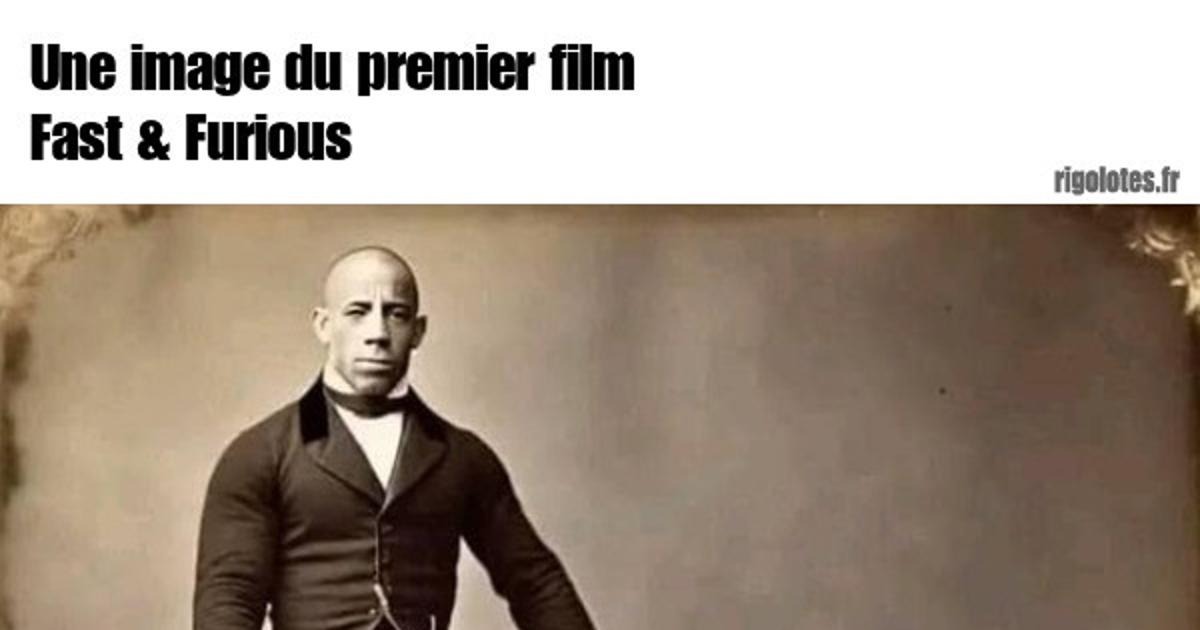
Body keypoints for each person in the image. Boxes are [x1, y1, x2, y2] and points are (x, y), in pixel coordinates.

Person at [194, 246, 594, 630]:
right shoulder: (261, 453)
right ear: (323, 325)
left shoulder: (462, 456)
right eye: (357, 312)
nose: (378, 333)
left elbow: (535, 581)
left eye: (396, 314)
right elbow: (230, 597)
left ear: (418, 331)